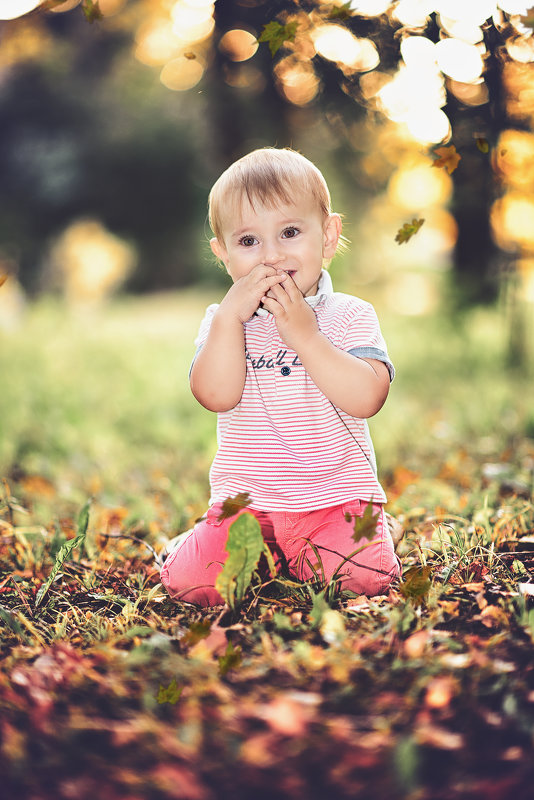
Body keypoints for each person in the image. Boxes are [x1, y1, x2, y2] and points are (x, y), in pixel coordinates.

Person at [161, 147, 401, 606]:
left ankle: (367, 534)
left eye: (290, 232)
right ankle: (209, 548)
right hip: (245, 503)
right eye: (248, 241)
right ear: (223, 255)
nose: (271, 255)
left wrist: (307, 338)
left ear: (329, 236)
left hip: (333, 496)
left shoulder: (349, 315)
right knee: (192, 585)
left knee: (361, 580)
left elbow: (367, 398)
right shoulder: (222, 321)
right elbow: (215, 394)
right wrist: (229, 320)